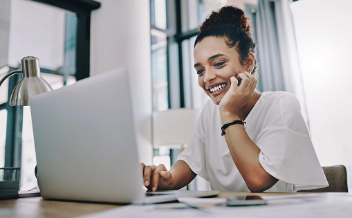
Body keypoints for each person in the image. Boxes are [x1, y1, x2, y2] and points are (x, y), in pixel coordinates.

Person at [141, 6, 328, 192]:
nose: (207, 78)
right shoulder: (209, 111)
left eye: (218, 64)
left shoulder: (281, 105)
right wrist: (166, 179)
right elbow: (189, 162)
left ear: (248, 63)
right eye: (200, 70)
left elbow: (258, 180)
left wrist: (229, 112)